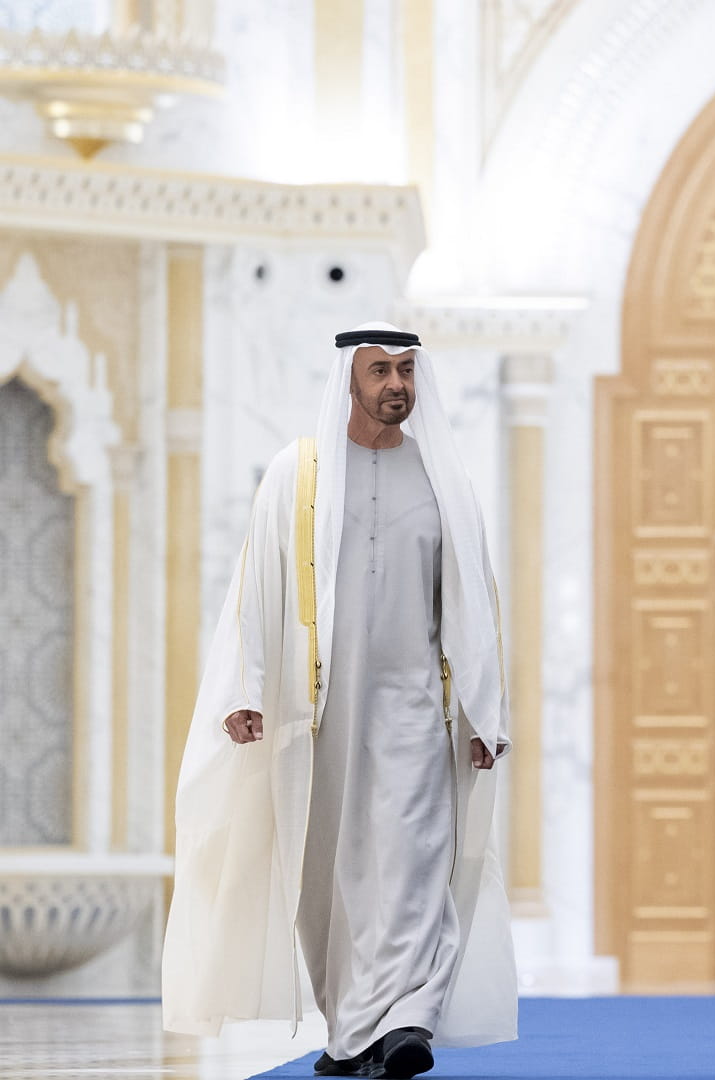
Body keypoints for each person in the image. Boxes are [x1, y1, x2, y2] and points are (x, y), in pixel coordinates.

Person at [162, 323, 518, 1080]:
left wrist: (487, 714)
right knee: (328, 880)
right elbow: (254, 589)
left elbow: (473, 606)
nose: (397, 384)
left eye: (406, 371)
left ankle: (408, 1019)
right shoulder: (298, 476)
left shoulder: (442, 479)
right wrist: (243, 689)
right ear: (350, 382)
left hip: (416, 709)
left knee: (417, 862)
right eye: (380, 370)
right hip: (319, 715)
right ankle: (354, 1033)